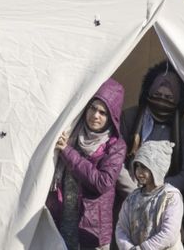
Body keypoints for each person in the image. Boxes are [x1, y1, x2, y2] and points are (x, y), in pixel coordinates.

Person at [46, 78, 127, 250]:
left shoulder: (115, 145)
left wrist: (68, 152)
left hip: (91, 232)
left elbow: (103, 182)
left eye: (103, 112)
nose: (95, 115)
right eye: (93, 108)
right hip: (61, 220)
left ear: (112, 117)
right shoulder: (72, 131)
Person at [117, 60, 184, 198]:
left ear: (177, 101)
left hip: (163, 199)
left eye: (168, 97)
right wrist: (135, 192)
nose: (162, 101)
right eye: (157, 95)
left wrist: (156, 191)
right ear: (149, 93)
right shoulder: (129, 117)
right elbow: (117, 161)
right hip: (128, 196)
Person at [116, 141, 184, 250]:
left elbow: (169, 233)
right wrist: (128, 248)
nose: (139, 172)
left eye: (144, 167)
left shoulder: (170, 197)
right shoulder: (132, 198)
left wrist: (143, 248)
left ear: (157, 168)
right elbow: (121, 228)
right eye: (137, 166)